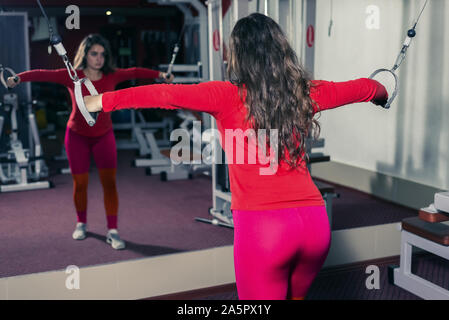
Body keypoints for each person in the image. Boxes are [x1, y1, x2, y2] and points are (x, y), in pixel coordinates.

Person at [85, 14, 388, 299]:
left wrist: (100, 100)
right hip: (314, 225)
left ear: (238, 54)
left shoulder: (225, 94)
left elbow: (164, 94)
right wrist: (383, 91)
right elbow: (363, 88)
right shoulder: (305, 92)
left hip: (264, 232)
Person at [7, 34, 174, 250]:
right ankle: (81, 223)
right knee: (81, 184)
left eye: (102, 55)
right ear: (85, 55)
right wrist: (18, 78)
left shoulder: (112, 76)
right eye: (94, 54)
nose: (99, 59)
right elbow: (43, 74)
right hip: (77, 136)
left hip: (104, 136)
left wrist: (160, 74)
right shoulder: (72, 76)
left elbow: (135, 71)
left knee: (109, 184)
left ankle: (113, 230)